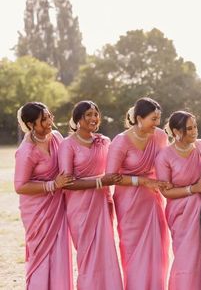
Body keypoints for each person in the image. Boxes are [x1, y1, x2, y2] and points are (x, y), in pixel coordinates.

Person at [105, 97, 170, 290]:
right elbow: (110, 176)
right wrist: (142, 181)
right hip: (129, 203)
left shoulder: (160, 136)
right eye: (153, 118)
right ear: (139, 118)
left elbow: (164, 164)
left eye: (159, 118)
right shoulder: (121, 141)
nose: (157, 123)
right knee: (133, 250)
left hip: (152, 200)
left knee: (157, 250)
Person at [58, 101, 123, 290]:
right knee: (86, 254)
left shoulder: (104, 141)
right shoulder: (67, 145)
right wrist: (100, 181)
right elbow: (67, 183)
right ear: (78, 119)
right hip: (80, 208)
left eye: (96, 114)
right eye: (88, 115)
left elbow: (115, 171)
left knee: (106, 251)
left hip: (103, 202)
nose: (94, 118)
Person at [14, 102, 74, 290]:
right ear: (31, 124)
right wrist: (52, 185)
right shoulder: (26, 151)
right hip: (37, 210)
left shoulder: (56, 137)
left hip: (57, 205)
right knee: (40, 254)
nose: (49, 122)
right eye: (43, 119)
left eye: (50, 116)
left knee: (59, 252)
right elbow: (20, 186)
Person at [155, 111, 201, 290]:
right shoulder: (164, 156)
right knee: (185, 257)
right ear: (176, 132)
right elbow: (166, 192)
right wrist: (192, 190)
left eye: (195, 127)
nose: (194, 131)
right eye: (189, 129)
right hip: (179, 212)